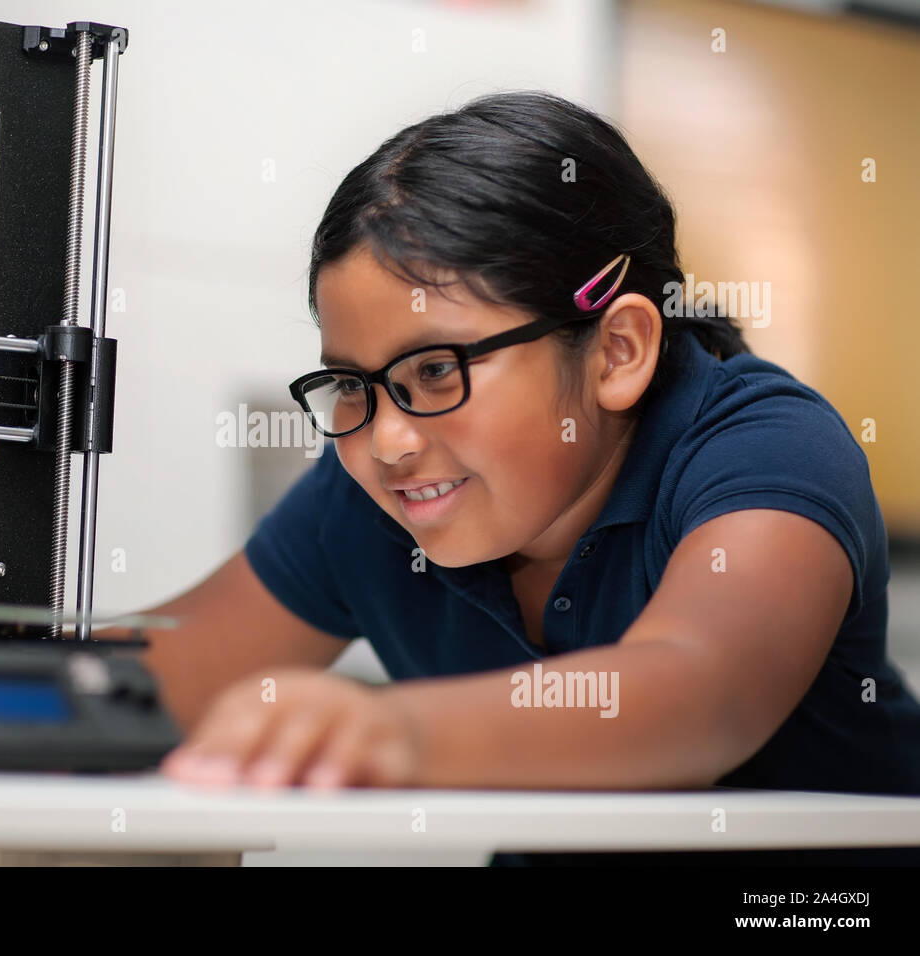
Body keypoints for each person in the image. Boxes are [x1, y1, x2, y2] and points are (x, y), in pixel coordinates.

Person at [120, 90, 920, 865]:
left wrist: (394, 731)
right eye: (353, 385)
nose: (389, 440)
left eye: (437, 370)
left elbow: (698, 698)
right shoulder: (369, 494)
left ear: (618, 350)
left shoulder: (765, 448)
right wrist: (7, 679)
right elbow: (139, 684)